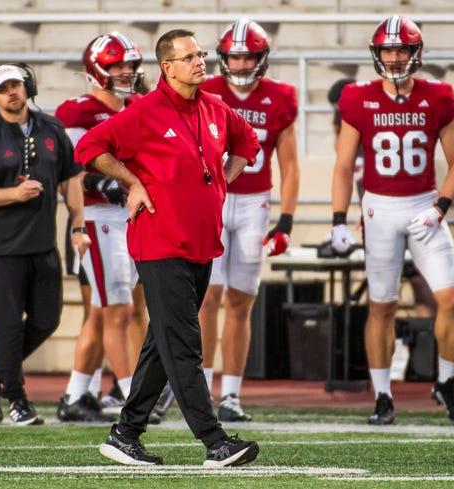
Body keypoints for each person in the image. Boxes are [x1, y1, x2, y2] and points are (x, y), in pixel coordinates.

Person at [76, 28, 261, 467]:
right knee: (183, 343)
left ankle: (125, 433)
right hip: (159, 242)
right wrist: (133, 181)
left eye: (201, 54)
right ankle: (215, 441)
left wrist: (222, 181)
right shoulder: (144, 112)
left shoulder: (216, 108)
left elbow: (248, 143)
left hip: (201, 244)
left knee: (162, 343)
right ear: (167, 67)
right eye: (190, 56)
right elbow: (89, 148)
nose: (200, 61)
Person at [330, 15, 454, 425]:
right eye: (388, 50)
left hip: (424, 205)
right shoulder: (357, 97)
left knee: (453, 299)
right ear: (377, 54)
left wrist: (440, 206)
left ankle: (445, 383)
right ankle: (383, 395)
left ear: (416, 53)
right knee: (382, 306)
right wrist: (339, 220)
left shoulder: (439, 96)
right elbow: (343, 166)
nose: (394, 58)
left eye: (401, 49)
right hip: (379, 209)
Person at [0, 63, 88, 426]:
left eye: (15, 85)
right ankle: (16, 398)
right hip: (2, 247)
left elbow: (72, 179)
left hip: (43, 243)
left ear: (27, 85)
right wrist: (13, 193)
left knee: (48, 320)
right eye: (3, 89)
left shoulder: (52, 128)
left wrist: (78, 225)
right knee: (8, 327)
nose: (11, 93)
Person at [198, 18, 299, 422]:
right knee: (207, 298)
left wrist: (286, 221)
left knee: (241, 301)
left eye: (247, 57)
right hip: (211, 200)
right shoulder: (204, 91)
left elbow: (289, 167)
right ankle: (200, 388)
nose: (240, 66)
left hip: (255, 201)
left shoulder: (280, 97)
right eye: (234, 57)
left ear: (262, 59)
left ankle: (232, 395)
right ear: (223, 59)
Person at [54, 32, 145, 423]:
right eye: (116, 65)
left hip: (129, 217)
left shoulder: (138, 106)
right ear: (96, 69)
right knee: (117, 309)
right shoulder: (78, 111)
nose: (125, 72)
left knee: (99, 312)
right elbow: (70, 173)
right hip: (96, 219)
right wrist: (110, 183)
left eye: (129, 65)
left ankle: (76, 395)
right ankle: (130, 395)